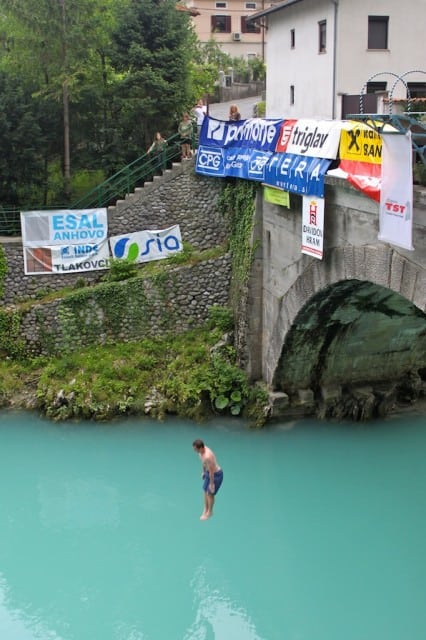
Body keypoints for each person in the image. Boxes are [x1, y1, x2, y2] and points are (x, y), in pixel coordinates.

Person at [192, 439, 223, 520]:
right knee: (205, 491)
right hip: (208, 472)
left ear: (201, 448)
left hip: (216, 475)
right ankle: (205, 509)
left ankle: (210, 512)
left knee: (210, 494)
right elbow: (203, 463)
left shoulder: (207, 456)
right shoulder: (200, 453)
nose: (195, 451)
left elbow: (212, 471)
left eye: (196, 449)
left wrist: (212, 484)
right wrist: (203, 472)